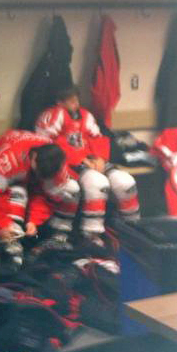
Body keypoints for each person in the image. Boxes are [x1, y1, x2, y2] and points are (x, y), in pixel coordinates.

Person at [35, 85, 139, 243]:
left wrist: (100, 158)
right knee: (98, 183)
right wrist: (80, 159)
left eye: (76, 99)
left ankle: (132, 228)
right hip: (68, 164)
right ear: (60, 102)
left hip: (92, 160)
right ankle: (91, 234)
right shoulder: (52, 116)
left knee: (125, 183)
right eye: (71, 101)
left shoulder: (85, 115)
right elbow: (49, 145)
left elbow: (98, 138)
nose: (75, 103)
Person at [0, 130, 79, 267]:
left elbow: (45, 196)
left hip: (33, 170)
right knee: (18, 192)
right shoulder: (7, 160)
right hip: (13, 169)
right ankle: (10, 244)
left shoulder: (56, 160)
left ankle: (58, 236)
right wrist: (2, 225)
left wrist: (34, 221)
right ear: (34, 157)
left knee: (71, 189)